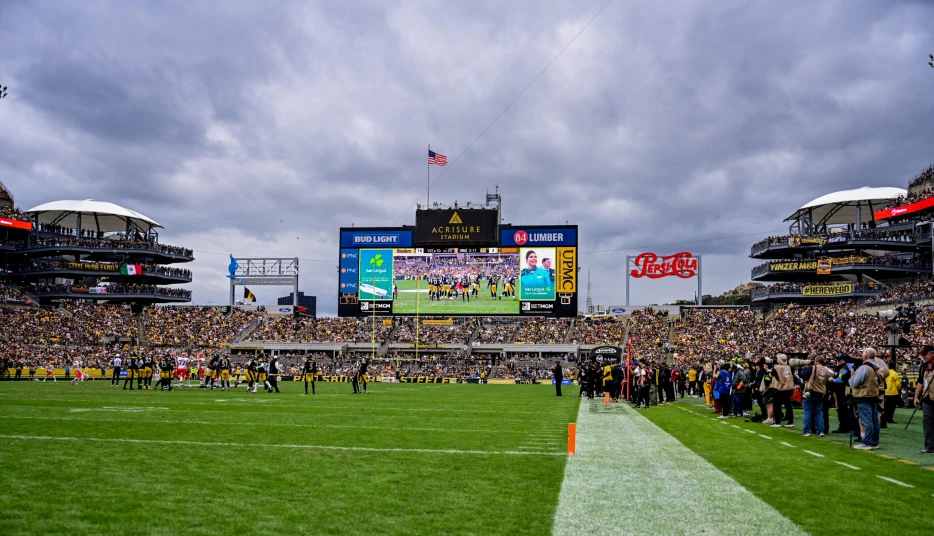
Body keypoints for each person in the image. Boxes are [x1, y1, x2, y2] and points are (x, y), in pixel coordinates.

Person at [849, 348, 883, 450]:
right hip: (874, 396)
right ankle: (874, 442)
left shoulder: (864, 368)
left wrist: (852, 375)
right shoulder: (877, 368)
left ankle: (867, 442)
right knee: (874, 421)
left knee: (866, 420)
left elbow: (854, 383)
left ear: (865, 356)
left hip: (864, 396)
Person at [800, 357, 833, 437]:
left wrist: (804, 369)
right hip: (821, 393)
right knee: (819, 413)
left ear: (816, 361)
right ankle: (821, 431)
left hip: (810, 392)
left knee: (807, 412)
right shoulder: (826, 370)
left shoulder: (812, 367)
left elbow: (803, 376)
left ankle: (807, 431)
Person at [914, 345, 934, 454]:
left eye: (925, 354)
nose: (924, 356)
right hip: (927, 397)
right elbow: (920, 382)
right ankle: (929, 446)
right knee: (927, 422)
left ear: (932, 353)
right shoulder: (924, 366)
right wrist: (916, 396)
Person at [770, 354, 795, 428]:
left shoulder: (776, 368)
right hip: (789, 388)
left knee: (777, 406)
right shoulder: (789, 367)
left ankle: (777, 422)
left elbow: (772, 375)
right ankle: (791, 421)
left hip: (779, 388)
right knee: (788, 406)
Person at [882, 360, 900, 427]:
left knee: (886, 406)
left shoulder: (885, 372)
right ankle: (890, 418)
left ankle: (885, 417)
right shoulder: (895, 373)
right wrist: (898, 388)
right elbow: (897, 384)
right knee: (892, 406)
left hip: (886, 391)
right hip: (893, 391)